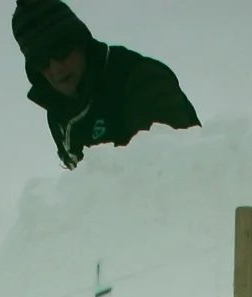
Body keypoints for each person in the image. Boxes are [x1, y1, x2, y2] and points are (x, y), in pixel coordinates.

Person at [12, 0, 197, 170]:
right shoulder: (58, 112)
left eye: (61, 51)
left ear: (81, 42)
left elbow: (167, 170)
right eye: (41, 62)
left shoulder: (140, 79)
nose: (56, 69)